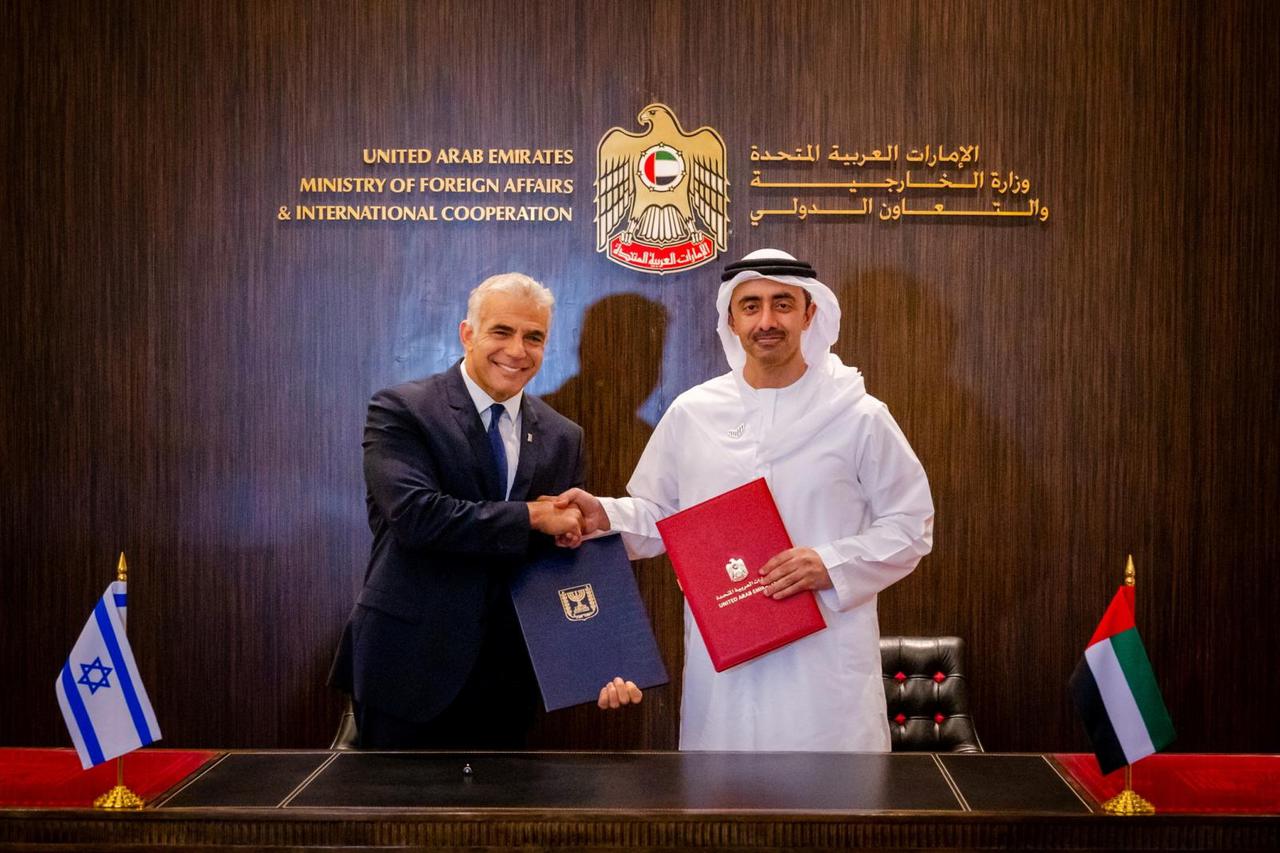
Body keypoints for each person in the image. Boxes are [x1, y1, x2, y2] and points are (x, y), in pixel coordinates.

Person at [558, 249, 935, 750]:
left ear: (809, 313)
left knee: (832, 815)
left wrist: (830, 563)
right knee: (725, 813)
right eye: (751, 306)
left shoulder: (859, 415)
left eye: (782, 304)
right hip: (726, 666)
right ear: (732, 320)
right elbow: (660, 515)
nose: (767, 320)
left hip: (823, 662)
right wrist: (603, 513)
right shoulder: (693, 413)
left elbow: (911, 525)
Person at [329, 272, 605, 749]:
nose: (517, 350)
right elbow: (418, 517)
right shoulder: (402, 410)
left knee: (494, 825)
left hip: (511, 680)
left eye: (534, 337)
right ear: (468, 333)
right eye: (502, 331)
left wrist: (599, 659)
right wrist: (533, 517)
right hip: (405, 672)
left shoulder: (564, 436)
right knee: (395, 823)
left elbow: (560, 564)